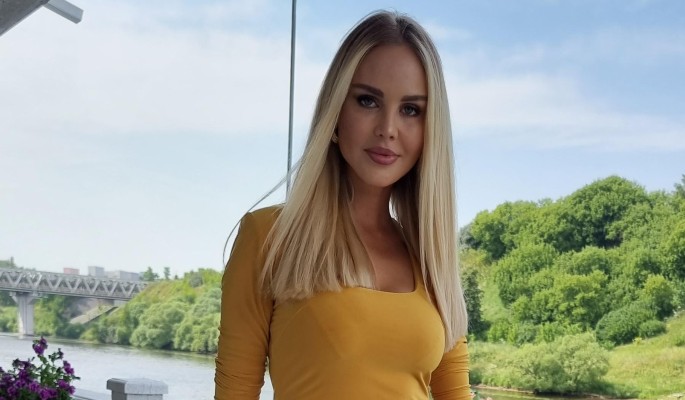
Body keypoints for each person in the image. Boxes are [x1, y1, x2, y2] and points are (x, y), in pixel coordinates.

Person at [215, 10, 469, 400]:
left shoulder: (432, 257)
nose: (387, 129)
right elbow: (235, 392)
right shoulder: (269, 237)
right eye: (368, 100)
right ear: (335, 113)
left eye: (411, 110)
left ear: (429, 129)